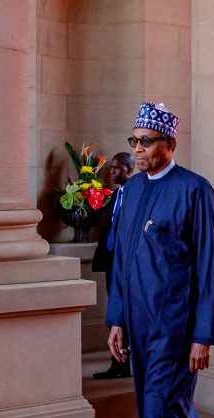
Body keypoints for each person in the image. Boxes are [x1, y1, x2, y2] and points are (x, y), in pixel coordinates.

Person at [104, 102, 214, 418]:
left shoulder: (195, 190)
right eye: (134, 141)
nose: (138, 149)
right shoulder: (132, 190)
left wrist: (202, 335)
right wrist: (116, 318)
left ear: (169, 144)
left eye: (147, 141)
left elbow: (208, 266)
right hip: (137, 326)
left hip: (176, 329)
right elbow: (121, 261)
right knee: (167, 415)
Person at [92, 152, 135, 380]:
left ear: (130, 169)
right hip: (112, 262)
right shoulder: (117, 194)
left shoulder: (137, 194)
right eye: (111, 168)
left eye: (117, 168)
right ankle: (118, 365)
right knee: (115, 312)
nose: (112, 172)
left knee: (128, 313)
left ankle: (127, 363)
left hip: (130, 265)